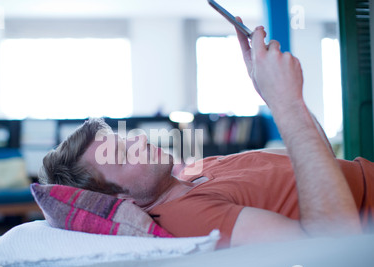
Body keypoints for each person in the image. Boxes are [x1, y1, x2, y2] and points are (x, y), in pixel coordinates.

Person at [39, 21, 374, 248]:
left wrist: (277, 97)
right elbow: (331, 244)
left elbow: (322, 162)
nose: (139, 140)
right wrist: (286, 104)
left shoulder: (196, 172)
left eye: (126, 140)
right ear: (122, 201)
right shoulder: (189, 216)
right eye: (124, 155)